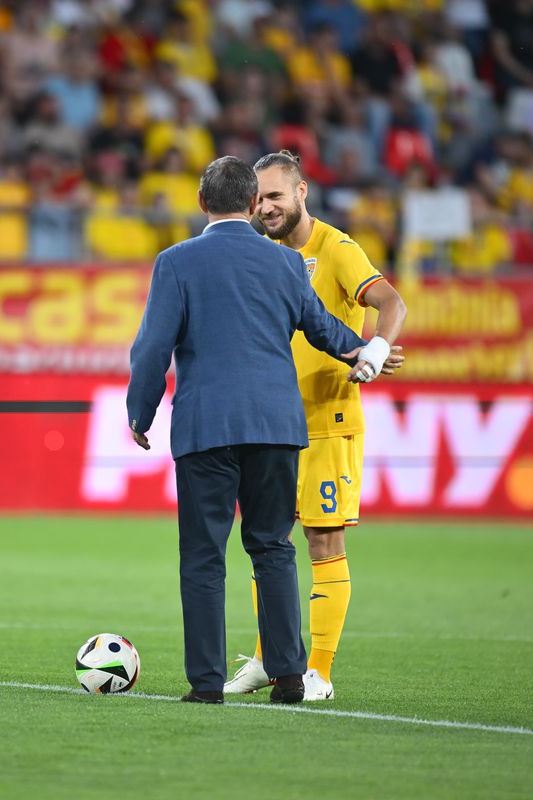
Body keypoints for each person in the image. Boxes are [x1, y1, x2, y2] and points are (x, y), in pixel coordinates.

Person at [126, 156, 396, 705]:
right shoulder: (287, 263)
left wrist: (141, 411)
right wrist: (363, 349)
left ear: (202, 203)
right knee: (273, 547)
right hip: (277, 428)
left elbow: (152, 347)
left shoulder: (175, 262)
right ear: (252, 203)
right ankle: (290, 676)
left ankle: (207, 685)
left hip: (207, 427)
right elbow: (321, 327)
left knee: (204, 556)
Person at [224, 150, 407, 701]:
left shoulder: (336, 248)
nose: (266, 207)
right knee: (267, 543)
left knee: (323, 542)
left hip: (328, 419)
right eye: (259, 199)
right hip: (274, 422)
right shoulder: (265, 253)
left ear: (301, 192)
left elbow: (391, 302)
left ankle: (319, 673)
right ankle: (267, 659)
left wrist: (376, 348)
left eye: (276, 196)